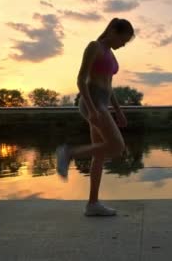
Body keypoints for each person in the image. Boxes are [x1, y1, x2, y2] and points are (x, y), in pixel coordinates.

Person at [56, 18, 135, 216]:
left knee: (99, 155)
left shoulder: (110, 54)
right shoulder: (94, 47)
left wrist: (118, 110)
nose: (123, 45)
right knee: (117, 146)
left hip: (102, 105)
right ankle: (69, 153)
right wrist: (92, 109)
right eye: (123, 40)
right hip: (92, 104)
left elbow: (109, 86)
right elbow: (81, 80)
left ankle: (92, 204)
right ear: (112, 31)